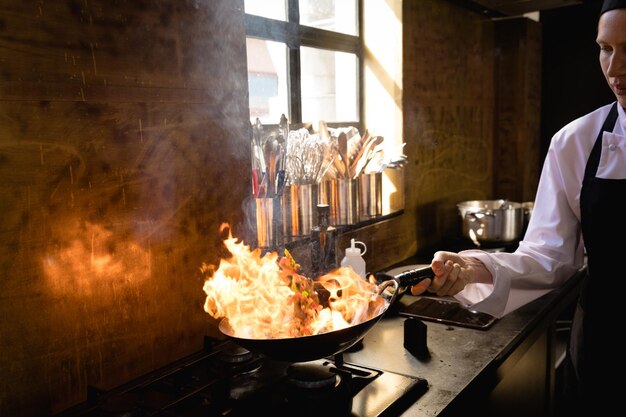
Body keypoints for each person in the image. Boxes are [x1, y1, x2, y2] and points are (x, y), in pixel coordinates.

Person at [410, 0, 626, 413]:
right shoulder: (575, 143)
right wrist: (475, 268)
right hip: (603, 346)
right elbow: (550, 255)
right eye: (605, 48)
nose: (615, 69)